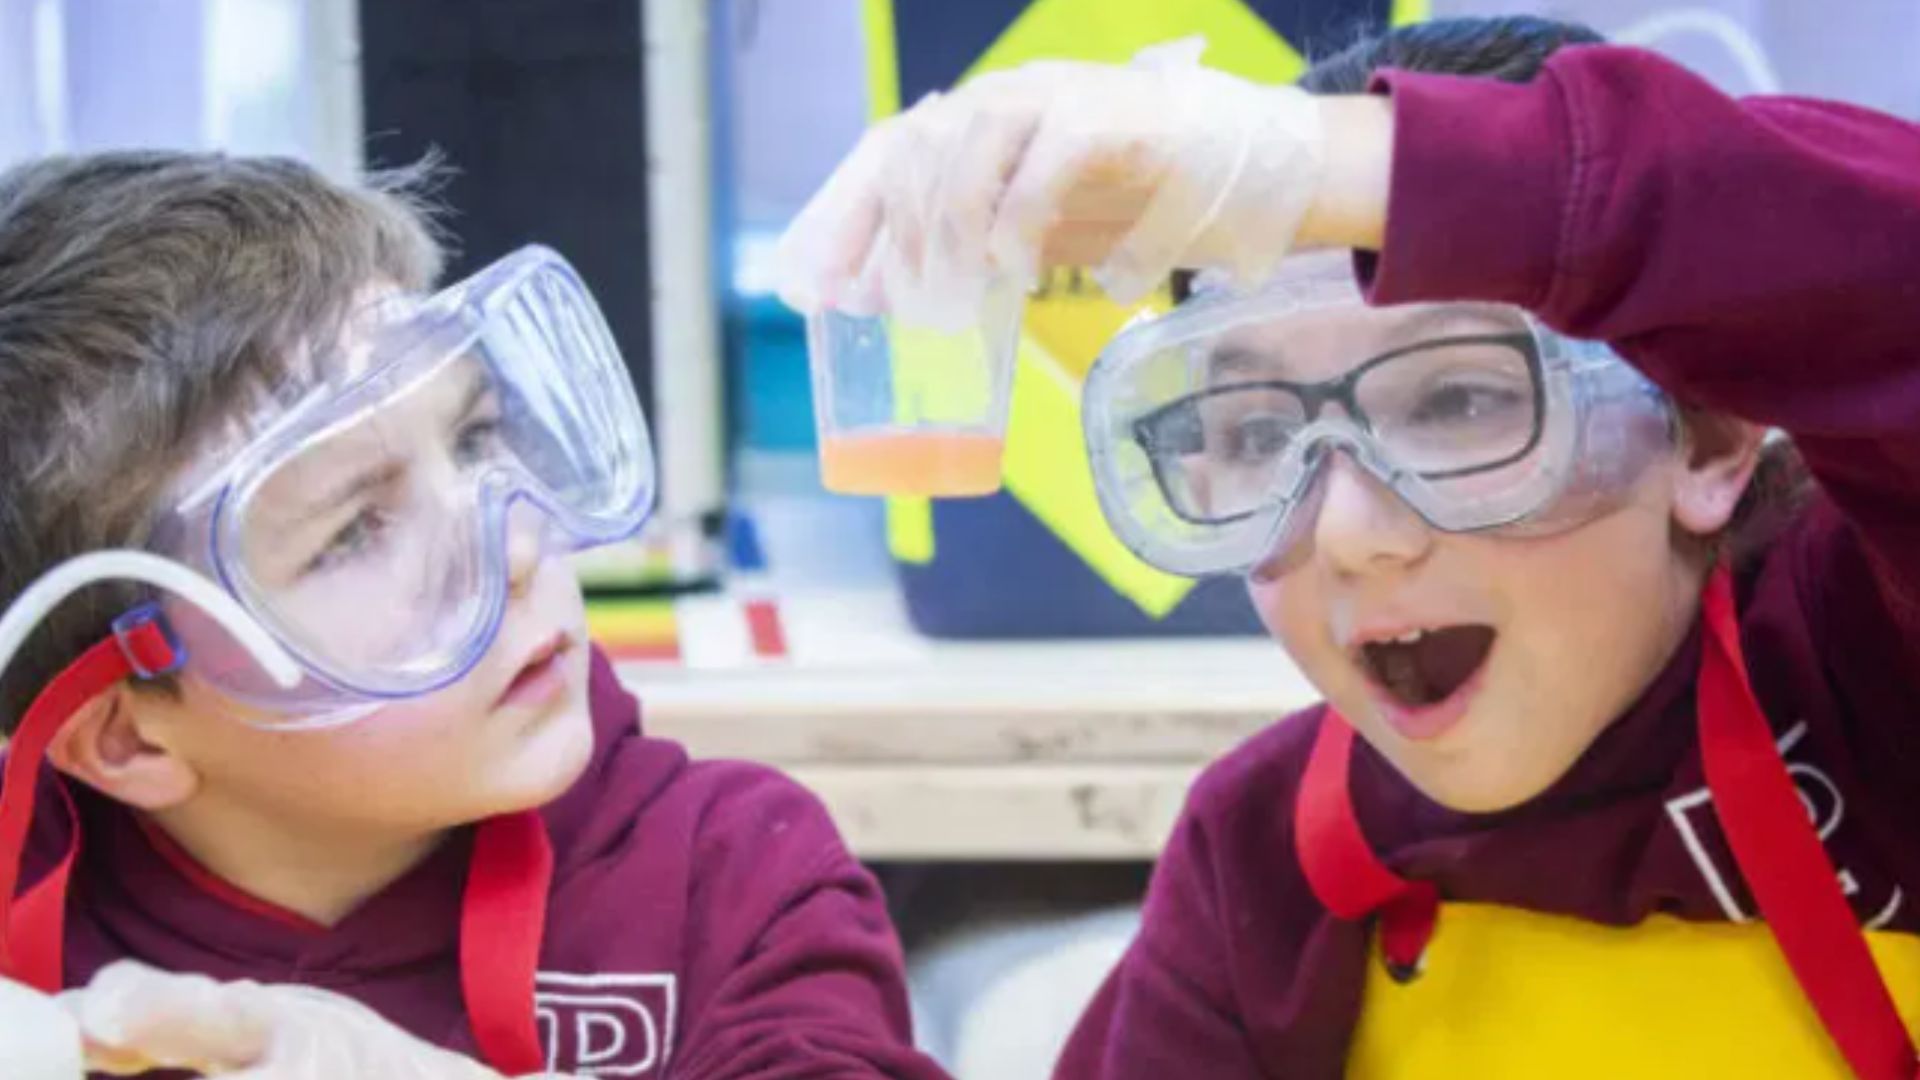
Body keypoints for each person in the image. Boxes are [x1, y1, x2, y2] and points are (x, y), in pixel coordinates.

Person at [778, 14, 1920, 1078]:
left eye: (1461, 403)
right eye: (1256, 432)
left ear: (1707, 435)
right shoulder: (1266, 860)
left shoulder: (1873, 662)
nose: (1349, 533)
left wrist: (1319, 166)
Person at [0, 152, 948, 1078]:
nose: (517, 546)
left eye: (475, 437)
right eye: (352, 531)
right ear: (126, 736)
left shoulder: (734, 883)